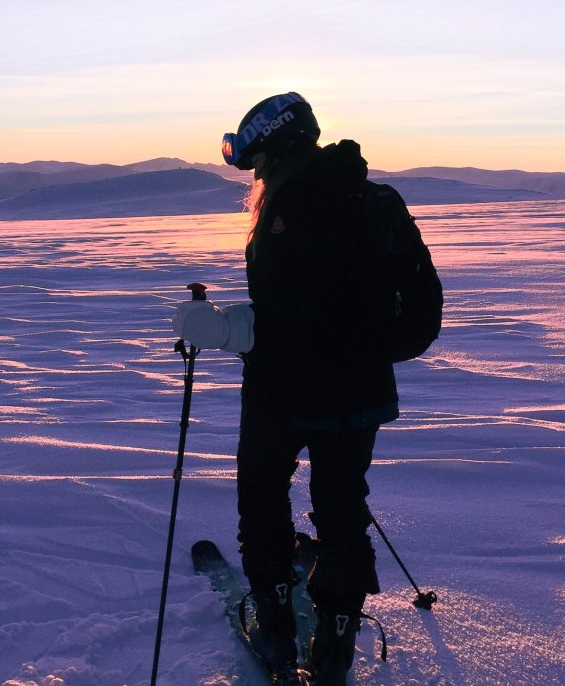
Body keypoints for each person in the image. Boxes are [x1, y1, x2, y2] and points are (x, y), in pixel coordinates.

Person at [220, 91, 401, 686]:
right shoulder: (365, 198)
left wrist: (230, 329)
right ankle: (337, 639)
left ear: (280, 149)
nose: (258, 175)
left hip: (284, 392)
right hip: (360, 394)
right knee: (342, 508)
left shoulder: (291, 210)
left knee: (263, 494)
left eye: (260, 162)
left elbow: (295, 317)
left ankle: (276, 620)